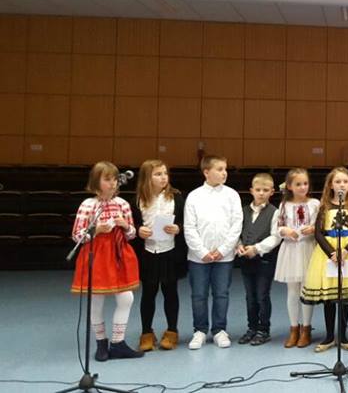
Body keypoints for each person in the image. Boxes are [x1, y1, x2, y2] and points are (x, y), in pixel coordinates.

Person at [71, 161, 143, 361]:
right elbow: (77, 235)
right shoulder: (88, 205)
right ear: (96, 182)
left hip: (119, 254)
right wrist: (96, 231)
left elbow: (132, 234)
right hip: (97, 254)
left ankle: (118, 343)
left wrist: (125, 225)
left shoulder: (122, 204)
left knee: (126, 298)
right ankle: (101, 343)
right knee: (96, 300)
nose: (112, 183)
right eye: (107, 179)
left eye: (114, 179)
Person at [301, 167, 348, 352]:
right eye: (338, 181)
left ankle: (342, 336)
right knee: (330, 296)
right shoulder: (324, 206)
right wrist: (332, 253)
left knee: (344, 295)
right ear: (331, 185)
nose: (341, 185)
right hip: (328, 254)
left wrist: (346, 251)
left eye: (345, 181)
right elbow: (318, 233)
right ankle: (329, 336)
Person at [184, 155, 243, 350]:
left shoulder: (232, 195)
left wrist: (223, 249)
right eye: (219, 169)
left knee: (221, 294)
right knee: (199, 295)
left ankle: (219, 330)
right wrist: (202, 251)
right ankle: (200, 330)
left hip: (224, 256)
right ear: (206, 172)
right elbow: (189, 227)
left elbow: (236, 224)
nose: (224, 173)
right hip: (198, 257)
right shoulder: (194, 196)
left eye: (225, 169)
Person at [133, 159, 186, 352]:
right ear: (147, 178)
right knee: (148, 294)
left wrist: (178, 228)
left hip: (170, 251)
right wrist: (138, 230)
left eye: (165, 173)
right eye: (158, 174)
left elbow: (185, 222)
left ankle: (172, 331)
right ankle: (146, 333)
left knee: (170, 292)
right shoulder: (138, 200)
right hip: (148, 252)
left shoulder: (176, 198)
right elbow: (133, 224)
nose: (163, 177)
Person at [272, 169, 319, 348]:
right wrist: (284, 230)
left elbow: (321, 224)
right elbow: (278, 228)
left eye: (305, 183)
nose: (302, 187)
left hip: (308, 248)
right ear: (290, 186)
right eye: (298, 184)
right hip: (291, 250)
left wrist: (313, 228)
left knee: (306, 291)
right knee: (292, 291)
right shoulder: (284, 205)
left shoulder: (315, 204)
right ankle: (294, 328)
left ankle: (306, 328)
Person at [236, 173, 281, 346]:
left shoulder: (275, 212)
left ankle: (264, 329)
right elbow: (237, 232)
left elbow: (275, 237)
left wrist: (257, 248)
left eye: (265, 190)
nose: (261, 193)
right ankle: (252, 328)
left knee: (262, 295)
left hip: (264, 260)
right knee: (250, 296)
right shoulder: (243, 211)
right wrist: (239, 246)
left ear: (272, 192)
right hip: (246, 260)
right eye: (258, 190)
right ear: (251, 191)